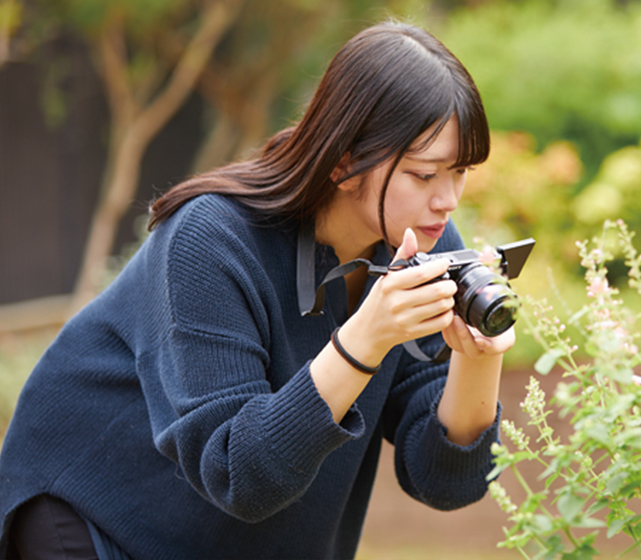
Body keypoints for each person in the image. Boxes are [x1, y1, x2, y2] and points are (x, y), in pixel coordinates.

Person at [0, 19, 514, 560]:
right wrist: (365, 338)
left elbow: (445, 480)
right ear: (344, 162)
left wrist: (478, 359)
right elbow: (238, 473)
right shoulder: (211, 239)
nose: (448, 200)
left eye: (460, 172)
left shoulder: (422, 243)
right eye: (424, 175)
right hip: (96, 517)